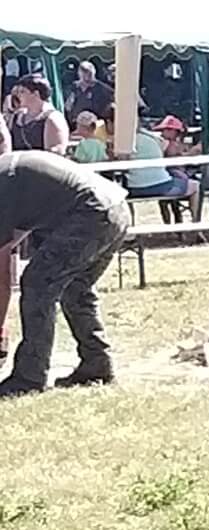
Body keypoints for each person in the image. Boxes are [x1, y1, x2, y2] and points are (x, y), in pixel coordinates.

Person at [0, 152, 130, 396]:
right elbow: (12, 241)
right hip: (115, 208)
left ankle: (29, 378)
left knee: (38, 284)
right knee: (76, 289)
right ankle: (96, 363)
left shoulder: (2, 186)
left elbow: (2, 276)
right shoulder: (9, 174)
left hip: (91, 213)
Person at [9, 76, 70, 154]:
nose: (18, 95)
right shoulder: (16, 117)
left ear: (35, 94)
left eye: (22, 92)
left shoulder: (52, 118)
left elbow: (55, 153)